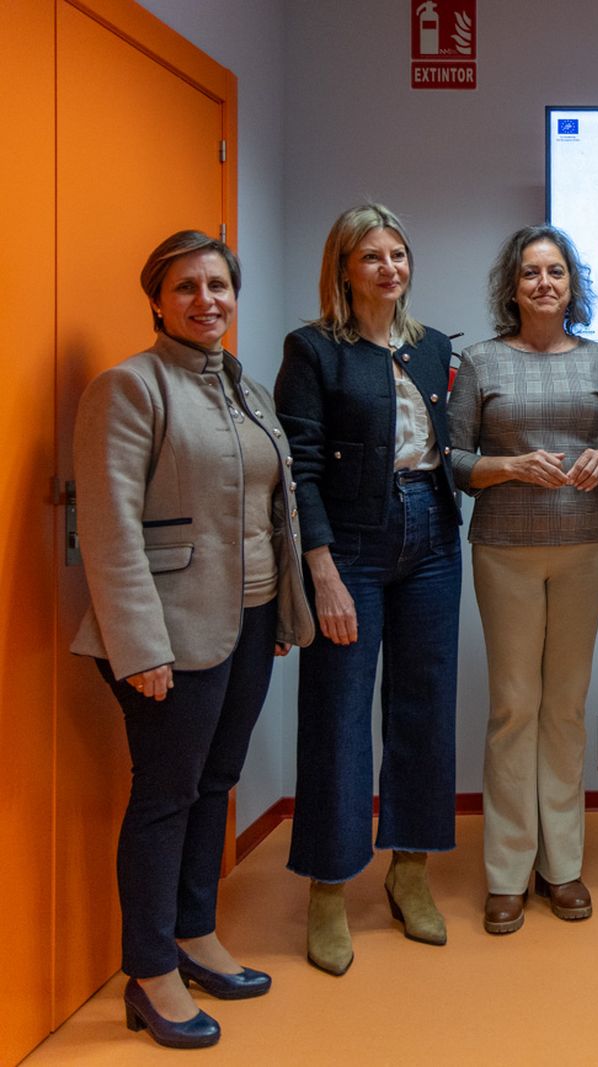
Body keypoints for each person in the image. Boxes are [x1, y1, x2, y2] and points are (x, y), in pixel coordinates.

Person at [72, 231, 313, 1048]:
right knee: (165, 795)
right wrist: (137, 646)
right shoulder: (130, 387)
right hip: (168, 635)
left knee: (218, 782)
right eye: (186, 287)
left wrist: (281, 611)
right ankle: (149, 970)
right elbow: (107, 530)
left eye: (218, 285)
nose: (206, 300)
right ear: (157, 299)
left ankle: (194, 929)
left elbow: (273, 507)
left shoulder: (242, 387)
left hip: (248, 617)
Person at [275, 203, 463, 974]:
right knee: (339, 712)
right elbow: (301, 468)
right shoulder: (314, 350)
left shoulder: (433, 347)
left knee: (425, 704)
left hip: (432, 534)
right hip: (348, 543)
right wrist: (321, 572)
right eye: (372, 257)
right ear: (344, 269)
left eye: (399, 254)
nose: (390, 267)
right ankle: (328, 886)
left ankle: (410, 872)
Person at [449, 225, 598, 935]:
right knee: (513, 706)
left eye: (555, 271)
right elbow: (456, 460)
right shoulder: (480, 361)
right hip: (504, 549)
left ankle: (562, 864)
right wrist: (508, 467)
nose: (543, 283)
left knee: (563, 705)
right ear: (513, 285)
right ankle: (506, 870)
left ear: (571, 284)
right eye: (530, 272)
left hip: (587, 545)